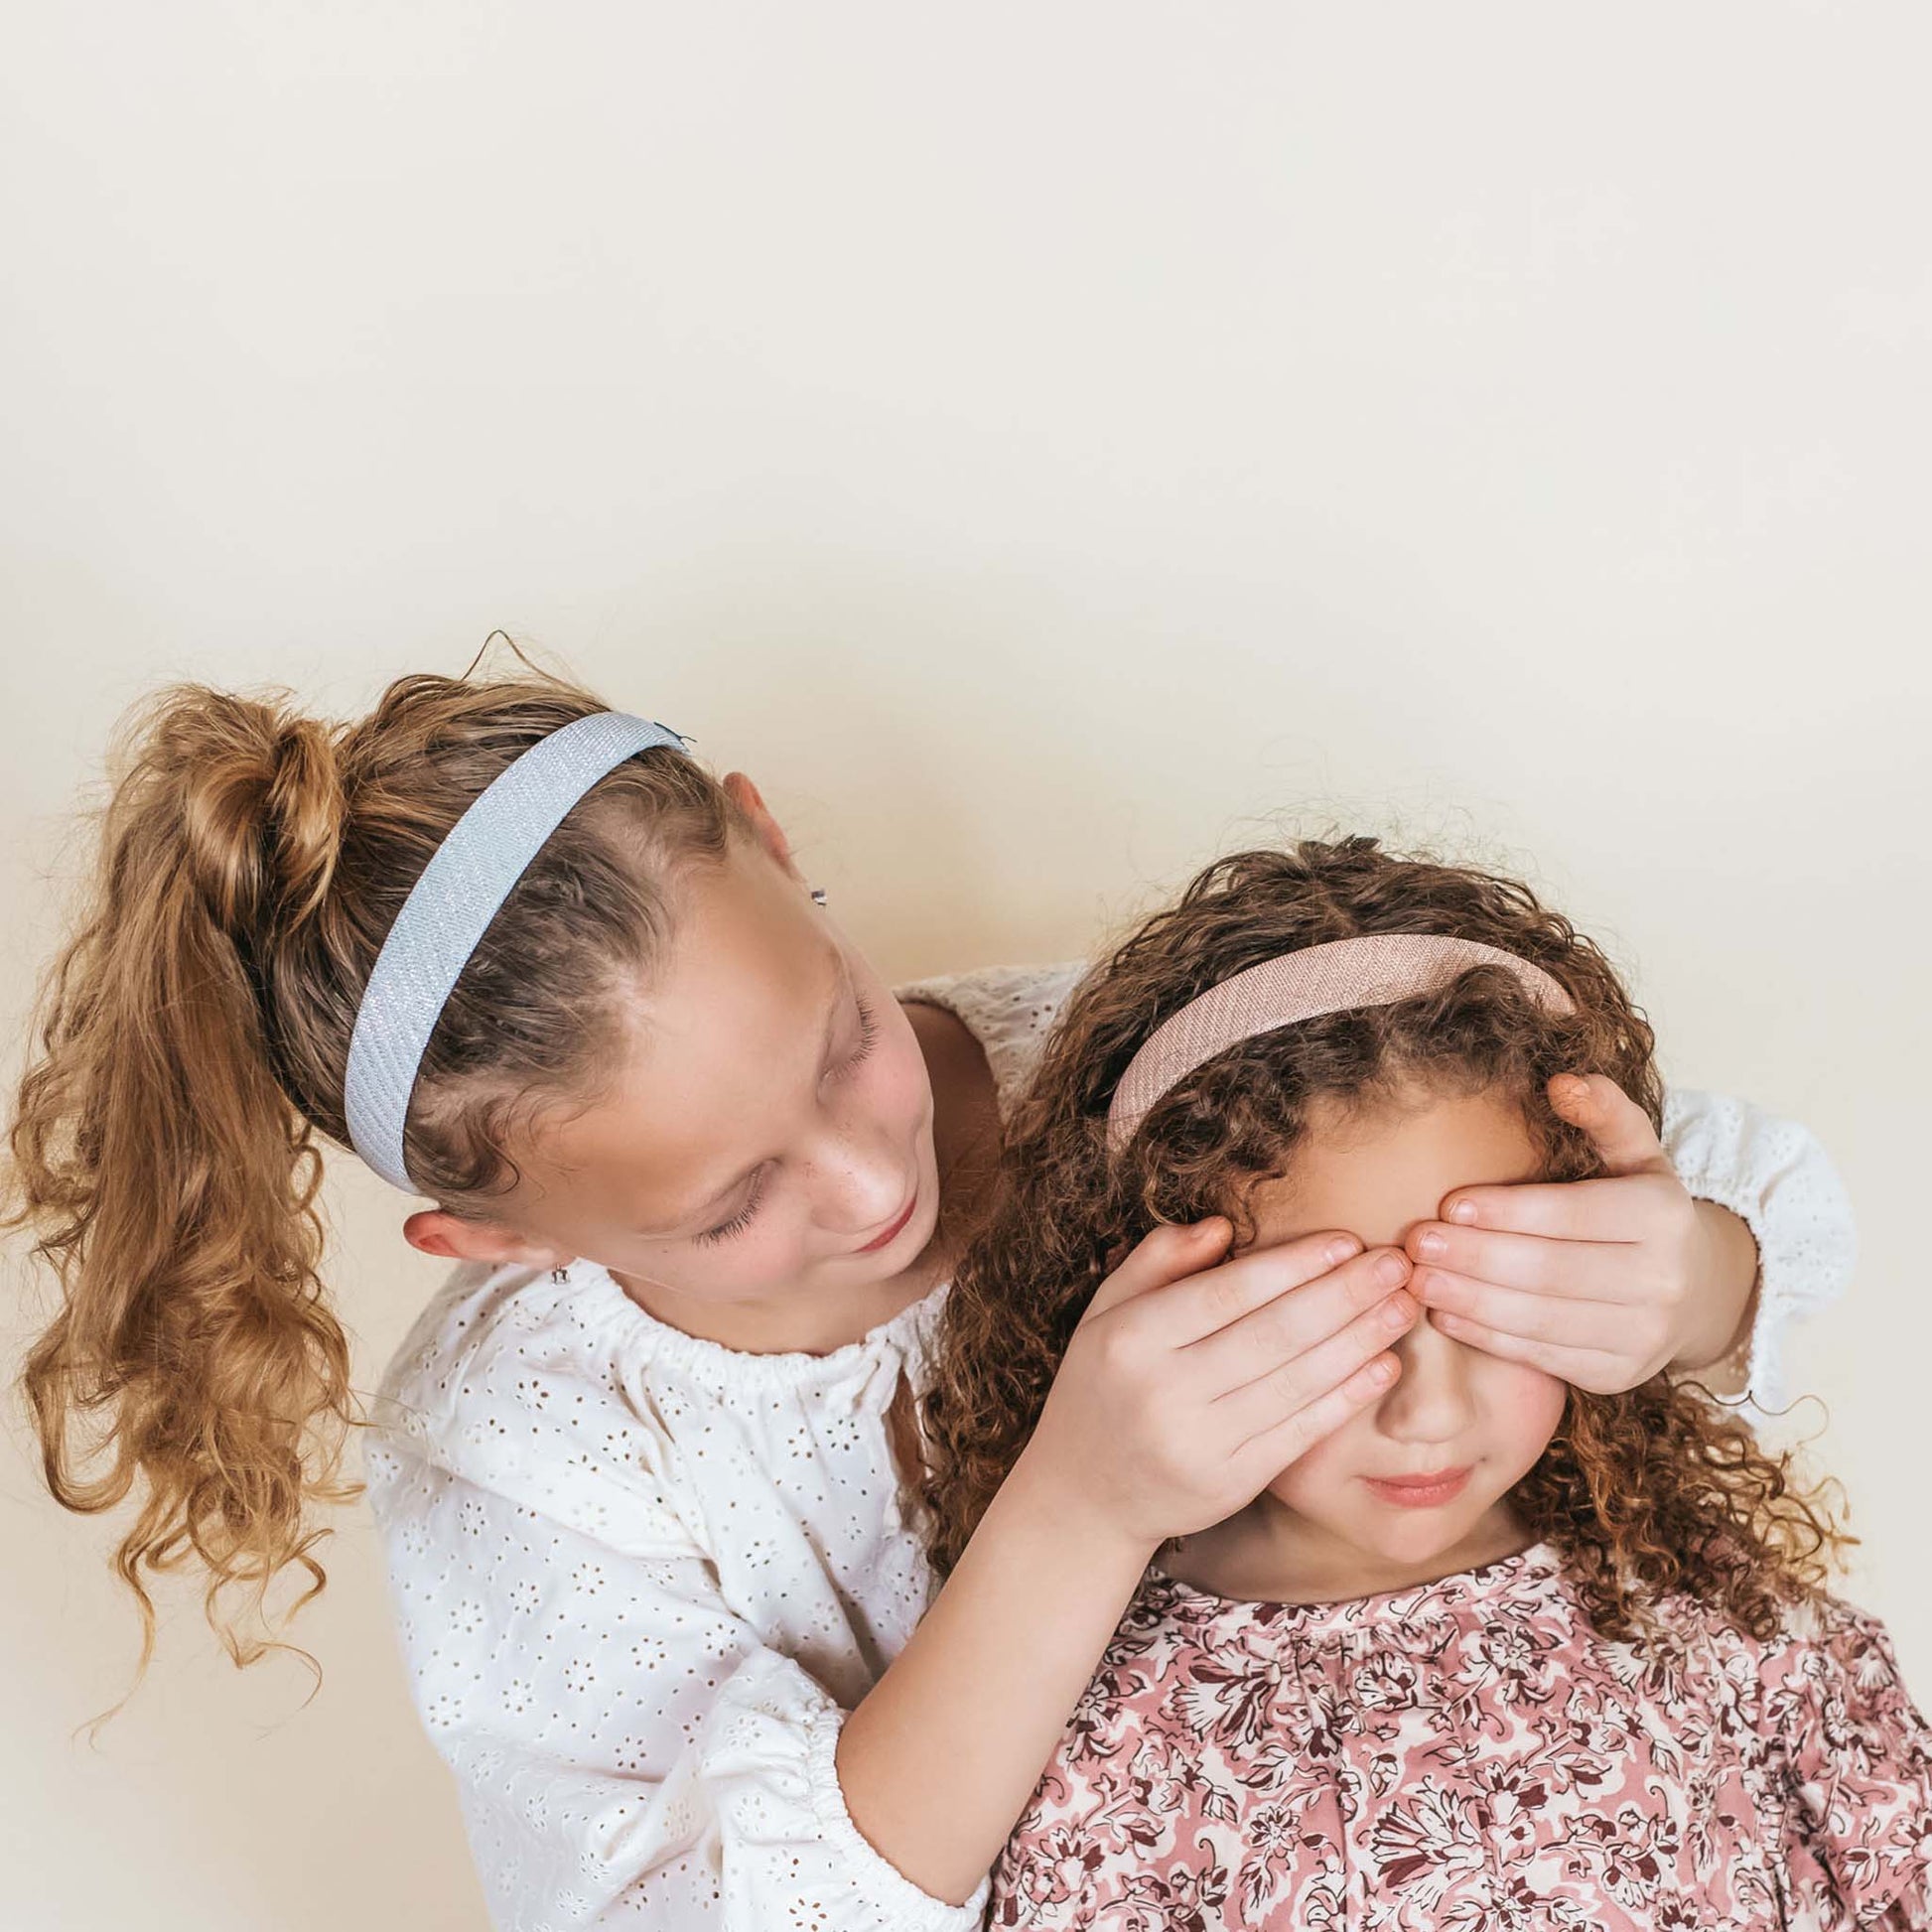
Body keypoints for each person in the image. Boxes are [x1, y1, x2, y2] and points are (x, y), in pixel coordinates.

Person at [8, 671, 1853, 1928]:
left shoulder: (1144, 1062)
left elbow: (1673, 1185)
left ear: (767, 831)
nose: (876, 1183)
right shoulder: (527, 1456)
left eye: (846, 1042)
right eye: (734, 1206)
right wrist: (1077, 1506)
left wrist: (1686, 1275)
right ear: (504, 1241)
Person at [920, 838, 1921, 1930]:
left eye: (1492, 1311)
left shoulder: (1720, 1628)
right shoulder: (1076, 1719)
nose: (1427, 1410)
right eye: (1336, 1326)